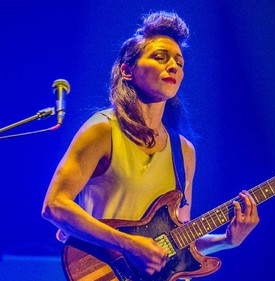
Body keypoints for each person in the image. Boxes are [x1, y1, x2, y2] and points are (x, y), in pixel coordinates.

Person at [42, 11, 259, 278]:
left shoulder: (183, 151)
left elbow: (176, 243)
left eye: (179, 62)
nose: (174, 66)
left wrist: (228, 240)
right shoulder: (102, 129)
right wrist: (129, 244)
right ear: (127, 70)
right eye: (160, 57)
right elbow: (54, 206)